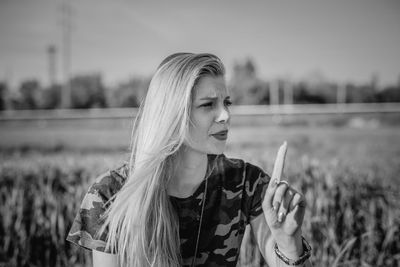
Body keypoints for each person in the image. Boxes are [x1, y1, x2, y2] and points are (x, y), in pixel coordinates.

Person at [67, 53, 312, 267]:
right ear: (172, 115)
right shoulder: (110, 195)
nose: (226, 115)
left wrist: (288, 243)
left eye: (226, 102)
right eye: (208, 105)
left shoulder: (247, 182)